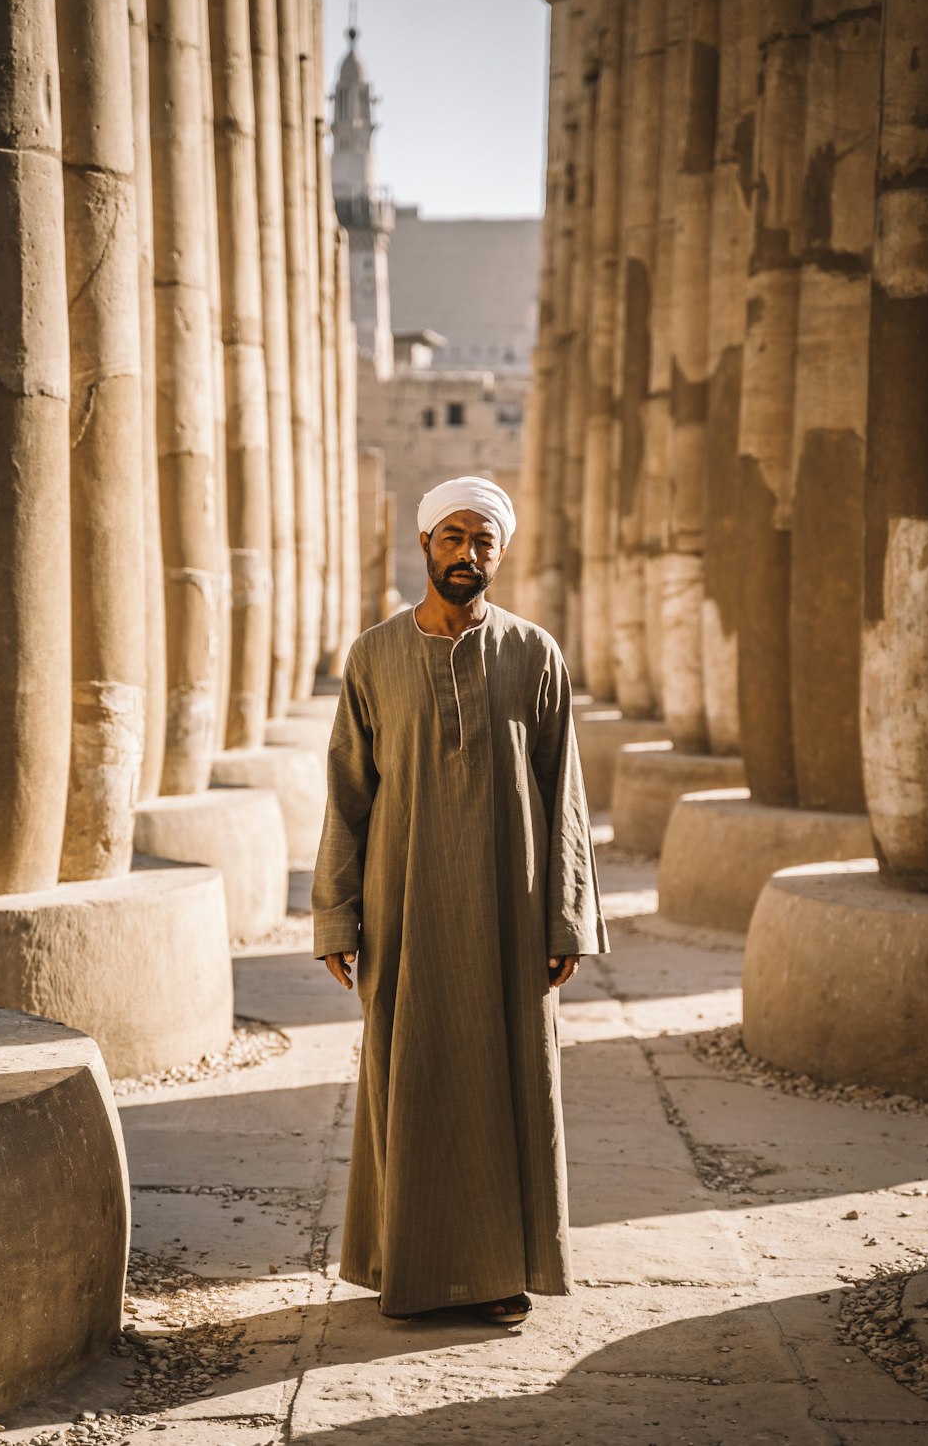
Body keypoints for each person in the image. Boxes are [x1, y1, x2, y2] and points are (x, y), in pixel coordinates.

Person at [312, 475, 608, 1325]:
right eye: (454, 538)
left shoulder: (534, 653)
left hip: (510, 913)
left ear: (500, 554)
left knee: (509, 1078)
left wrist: (566, 916)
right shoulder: (373, 657)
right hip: (403, 905)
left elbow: (565, 797)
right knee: (407, 1075)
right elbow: (347, 794)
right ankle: (409, 1268)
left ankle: (498, 1269)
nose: (469, 555)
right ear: (426, 546)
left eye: (484, 542)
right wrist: (337, 913)